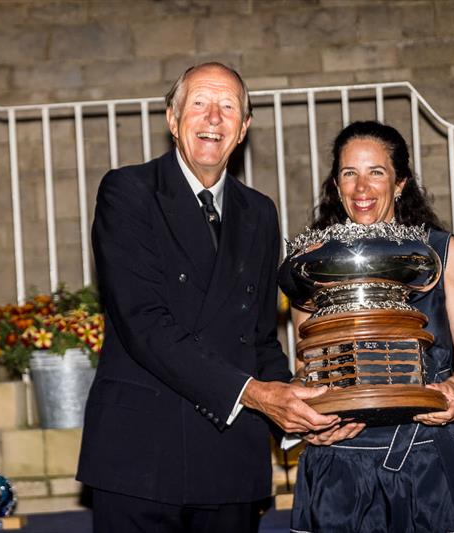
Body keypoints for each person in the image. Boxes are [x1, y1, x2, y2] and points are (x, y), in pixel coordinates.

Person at [76, 62, 339, 533]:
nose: (213, 117)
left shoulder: (259, 212)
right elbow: (145, 325)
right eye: (199, 103)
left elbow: (259, 338)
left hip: (229, 461)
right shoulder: (128, 192)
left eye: (228, 107)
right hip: (140, 456)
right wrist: (258, 394)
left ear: (243, 128)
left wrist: (304, 407)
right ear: (173, 121)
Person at [280, 121, 454, 532]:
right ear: (336, 184)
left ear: (399, 183)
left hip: (429, 457)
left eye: (375, 172)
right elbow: (307, 361)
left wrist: (453, 387)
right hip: (339, 461)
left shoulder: (444, 252)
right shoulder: (312, 263)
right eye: (349, 173)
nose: (361, 188)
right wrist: (311, 420)